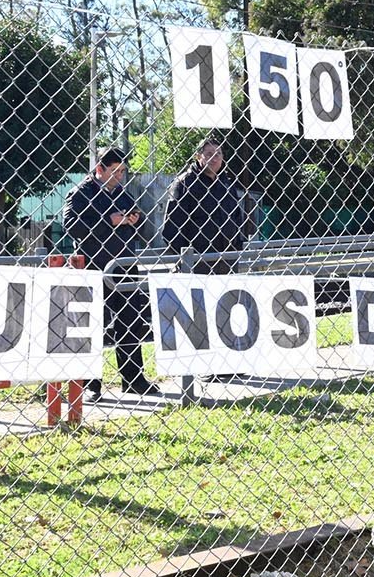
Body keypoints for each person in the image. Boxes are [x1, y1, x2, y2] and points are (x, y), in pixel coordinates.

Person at [62, 147, 159, 401]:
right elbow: (72, 225)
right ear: (99, 170)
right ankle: (90, 385)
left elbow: (144, 226)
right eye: (114, 171)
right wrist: (109, 220)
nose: (119, 176)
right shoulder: (81, 193)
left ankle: (133, 378)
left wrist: (135, 219)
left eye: (122, 171)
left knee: (131, 322)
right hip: (94, 267)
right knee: (94, 324)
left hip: (124, 266)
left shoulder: (122, 194)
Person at [162, 138, 252, 273]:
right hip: (197, 263)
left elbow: (237, 219)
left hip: (227, 261)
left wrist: (236, 246)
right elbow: (172, 228)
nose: (214, 159)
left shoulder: (227, 184)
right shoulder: (184, 184)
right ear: (198, 156)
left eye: (218, 154)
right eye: (209, 154)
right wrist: (188, 258)